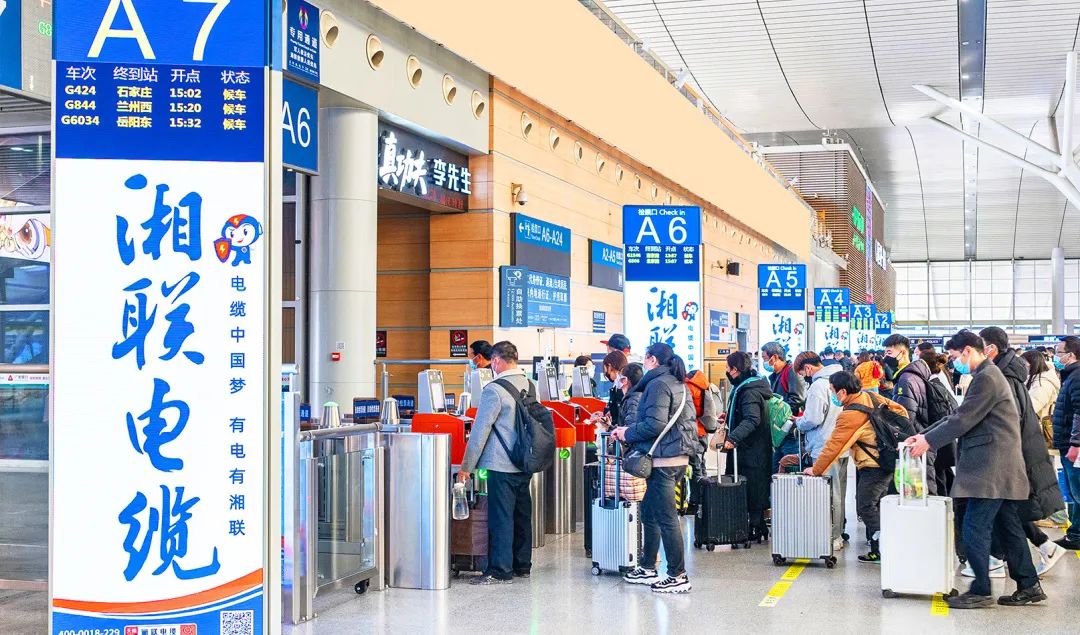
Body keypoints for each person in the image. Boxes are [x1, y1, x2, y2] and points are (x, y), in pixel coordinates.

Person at [905, 330, 1043, 609]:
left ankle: (980, 590)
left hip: (990, 467)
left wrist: (928, 442)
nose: (953, 361)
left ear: (968, 350)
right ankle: (1029, 584)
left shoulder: (987, 378)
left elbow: (963, 420)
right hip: (998, 466)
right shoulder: (987, 376)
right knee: (1007, 526)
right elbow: (958, 415)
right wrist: (924, 435)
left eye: (954, 356)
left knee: (974, 527)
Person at [979, 327, 1066, 575]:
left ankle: (999, 559)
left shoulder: (1004, 377)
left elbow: (1011, 418)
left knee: (1003, 506)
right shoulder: (1008, 373)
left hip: (1011, 450)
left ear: (990, 348)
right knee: (1007, 506)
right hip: (1016, 448)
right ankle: (1041, 547)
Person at [612, 343, 698, 593]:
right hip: (675, 456)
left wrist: (626, 432)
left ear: (652, 360)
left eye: (646, 357)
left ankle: (677, 575)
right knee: (650, 512)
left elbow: (654, 424)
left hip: (664, 459)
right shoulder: (677, 382)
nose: (644, 361)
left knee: (666, 517)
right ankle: (648, 567)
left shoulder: (659, 384)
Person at [804, 370, 905, 563]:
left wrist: (816, 470)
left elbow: (834, 446)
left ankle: (887, 548)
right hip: (887, 459)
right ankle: (878, 550)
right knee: (877, 505)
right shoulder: (871, 396)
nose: (832, 395)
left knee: (865, 506)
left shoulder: (850, 414)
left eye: (833, 390)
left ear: (842, 392)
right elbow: (901, 411)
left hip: (873, 464)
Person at [458, 341, 533, 585]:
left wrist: (466, 467)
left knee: (501, 517)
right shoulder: (529, 385)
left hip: (501, 463)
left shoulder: (494, 390)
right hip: (525, 460)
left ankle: (500, 569)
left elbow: (480, 431)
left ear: (497, 361)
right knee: (521, 514)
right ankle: (522, 564)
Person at [716, 351, 774, 542]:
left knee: (752, 487)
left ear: (735, 370)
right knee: (752, 486)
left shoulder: (749, 391)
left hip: (751, 449)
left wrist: (733, 438)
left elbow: (752, 419)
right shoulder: (749, 386)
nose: (726, 371)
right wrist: (731, 416)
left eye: (728, 368)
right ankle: (757, 525)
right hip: (752, 448)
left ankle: (755, 526)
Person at [792, 351, 846, 549]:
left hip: (825, 447)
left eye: (801, 373)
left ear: (808, 368)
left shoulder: (818, 386)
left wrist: (799, 422)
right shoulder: (840, 379)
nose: (803, 377)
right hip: (843, 445)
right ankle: (838, 533)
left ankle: (831, 537)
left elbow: (813, 418)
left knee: (829, 494)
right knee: (839, 493)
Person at [886, 334, 939, 495]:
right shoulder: (913, 375)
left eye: (889, 352)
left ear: (902, 352)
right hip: (921, 436)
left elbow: (905, 417)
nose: (886, 357)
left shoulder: (906, 379)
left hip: (914, 442)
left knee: (920, 492)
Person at [1051, 335, 1080, 551]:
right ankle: (1075, 533)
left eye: (1059, 352)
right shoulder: (1071, 375)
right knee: (1074, 491)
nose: (1055, 356)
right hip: (1068, 442)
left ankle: (1076, 534)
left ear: (1071, 355)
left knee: (1077, 491)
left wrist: (1076, 443)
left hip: (1073, 445)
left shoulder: (1077, 376)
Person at [761, 341, 806, 474]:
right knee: (777, 471)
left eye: (765, 358)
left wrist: (780, 415)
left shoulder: (791, 372)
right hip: (779, 433)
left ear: (774, 357)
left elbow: (798, 399)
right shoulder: (775, 376)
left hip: (790, 432)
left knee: (790, 472)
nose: (764, 362)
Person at [684, 367, 719, 513]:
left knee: (695, 467)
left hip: (694, 431)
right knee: (701, 464)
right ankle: (705, 498)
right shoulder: (705, 385)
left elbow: (689, 412)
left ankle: (696, 502)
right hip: (703, 430)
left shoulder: (689, 387)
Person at [591, 351, 628, 430]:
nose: (606, 373)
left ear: (610, 366)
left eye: (605, 368)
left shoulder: (624, 388)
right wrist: (606, 413)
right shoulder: (617, 387)